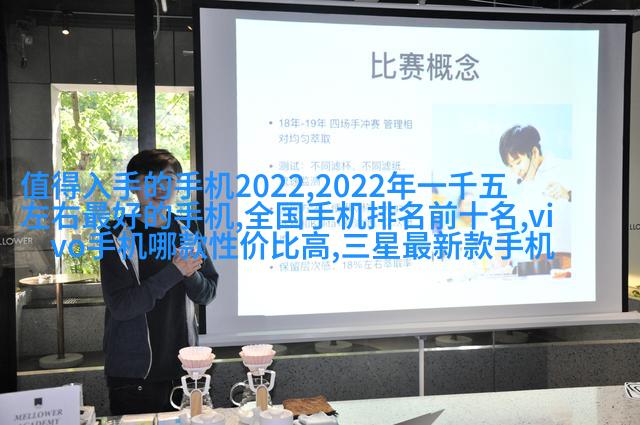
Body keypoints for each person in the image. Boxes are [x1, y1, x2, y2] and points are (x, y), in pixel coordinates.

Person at [99, 149, 218, 415]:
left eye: (169, 180)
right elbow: (121, 306)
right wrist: (175, 271)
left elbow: (207, 293)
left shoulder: (188, 230)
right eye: (149, 179)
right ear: (133, 185)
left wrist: (191, 275)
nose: (160, 187)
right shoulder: (115, 234)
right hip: (134, 375)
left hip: (184, 369)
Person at [498, 125, 572, 271]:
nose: (516, 171)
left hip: (569, 265)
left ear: (534, 152)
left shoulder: (567, 169)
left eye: (518, 163)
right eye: (511, 166)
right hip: (539, 266)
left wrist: (568, 195)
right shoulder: (527, 186)